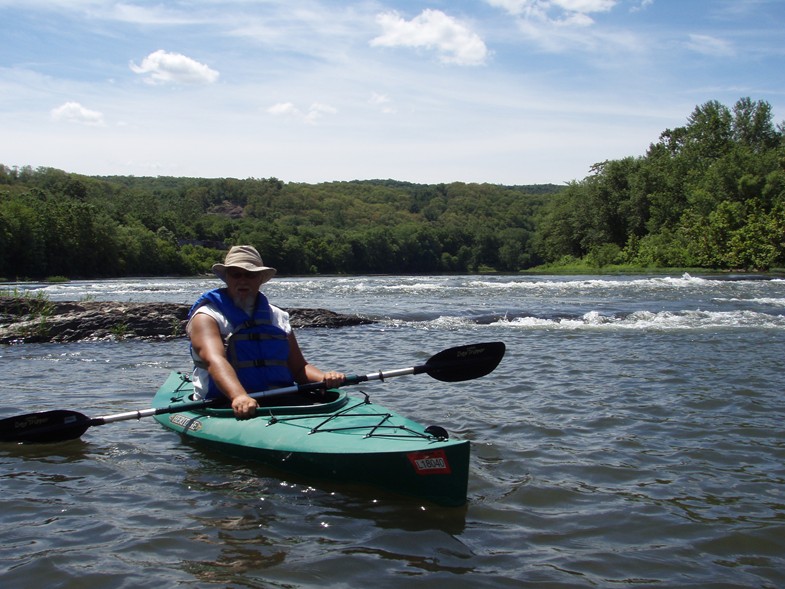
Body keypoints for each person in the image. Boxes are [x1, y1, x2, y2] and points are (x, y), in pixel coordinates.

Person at [187, 245, 345, 419]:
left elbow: (299, 369)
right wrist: (238, 395)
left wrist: (324, 377)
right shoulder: (207, 316)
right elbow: (214, 360)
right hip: (224, 402)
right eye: (236, 274)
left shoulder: (278, 316)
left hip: (278, 398)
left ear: (261, 278)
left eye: (250, 274)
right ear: (226, 277)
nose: (243, 280)